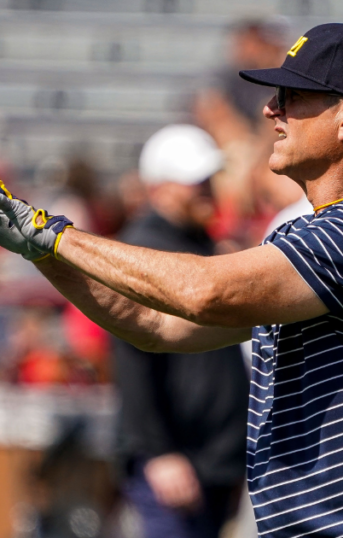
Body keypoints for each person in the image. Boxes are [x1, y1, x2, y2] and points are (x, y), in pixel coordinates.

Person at [0, 22, 343, 537]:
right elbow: (154, 326)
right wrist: (42, 252)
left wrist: (55, 235)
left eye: (291, 98)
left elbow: (203, 292)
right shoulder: (327, 231)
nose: (270, 111)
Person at [110, 124, 249, 538]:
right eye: (195, 182)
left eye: (209, 180)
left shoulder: (204, 245)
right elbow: (130, 360)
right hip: (177, 462)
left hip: (213, 461)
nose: (207, 190)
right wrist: (160, 452)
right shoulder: (145, 251)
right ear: (160, 187)